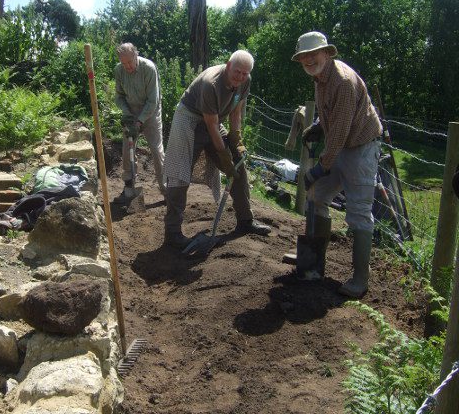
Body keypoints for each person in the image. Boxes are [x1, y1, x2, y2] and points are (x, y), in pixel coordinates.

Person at [292, 31, 383, 298]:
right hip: (341, 144)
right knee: (318, 194)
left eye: (313, 54)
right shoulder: (320, 78)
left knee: (358, 211)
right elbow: (331, 115)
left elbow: (342, 130)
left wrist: (320, 168)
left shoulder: (342, 81)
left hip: (361, 147)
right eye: (304, 57)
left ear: (326, 53)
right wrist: (319, 126)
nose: (309, 60)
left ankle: (359, 280)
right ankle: (315, 261)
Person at [163, 50, 271, 249]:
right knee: (179, 175)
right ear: (228, 65)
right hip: (189, 119)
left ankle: (246, 221)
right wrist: (223, 157)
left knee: (238, 167)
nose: (240, 77)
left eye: (244, 73)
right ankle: (172, 233)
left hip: (214, 119)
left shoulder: (245, 80)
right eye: (237, 71)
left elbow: (236, 111)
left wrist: (236, 140)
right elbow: (210, 125)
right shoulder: (211, 83)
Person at [112, 43, 166, 203]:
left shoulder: (148, 68)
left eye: (130, 62)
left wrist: (140, 121)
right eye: (124, 63)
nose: (127, 66)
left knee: (156, 150)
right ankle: (129, 187)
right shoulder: (119, 71)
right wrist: (128, 115)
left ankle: (166, 189)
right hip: (131, 111)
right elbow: (119, 96)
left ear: (136, 56)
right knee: (126, 149)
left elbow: (153, 101)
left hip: (150, 112)